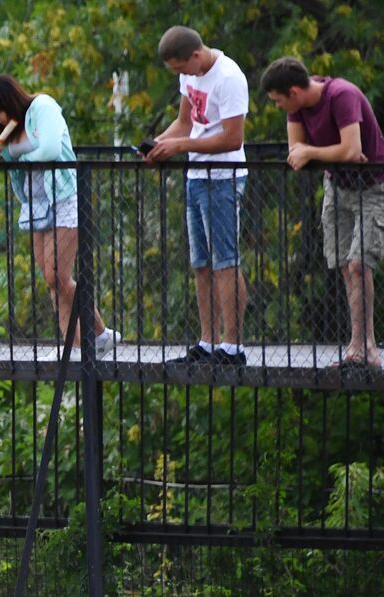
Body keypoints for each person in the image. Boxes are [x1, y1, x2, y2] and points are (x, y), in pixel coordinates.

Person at [261, 56, 384, 370]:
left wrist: (316, 152)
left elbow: (349, 149)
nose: (278, 107)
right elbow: (297, 151)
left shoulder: (341, 95)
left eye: (279, 101)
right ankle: (356, 346)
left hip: (372, 187)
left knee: (361, 264)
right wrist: (329, 154)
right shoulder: (298, 108)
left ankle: (368, 347)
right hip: (337, 186)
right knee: (346, 268)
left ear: (294, 92)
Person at [0, 75, 119, 353]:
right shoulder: (4, 126)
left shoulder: (42, 108)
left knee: (58, 275)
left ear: (10, 101)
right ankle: (73, 347)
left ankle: (101, 334)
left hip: (63, 196)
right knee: (50, 280)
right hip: (36, 203)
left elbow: (51, 149)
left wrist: (17, 157)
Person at [146, 26, 250, 367]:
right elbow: (184, 123)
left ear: (195, 55)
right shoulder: (189, 78)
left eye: (181, 68)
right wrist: (159, 144)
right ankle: (207, 341)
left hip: (223, 176)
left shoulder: (229, 77)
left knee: (225, 260)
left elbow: (232, 139)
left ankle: (232, 344)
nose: (181, 76)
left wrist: (182, 145)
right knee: (201, 264)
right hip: (195, 176)